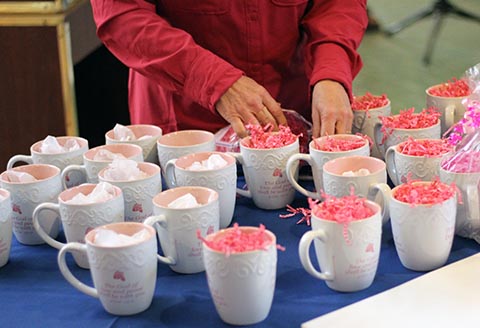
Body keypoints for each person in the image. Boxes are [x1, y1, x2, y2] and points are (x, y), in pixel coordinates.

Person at [90, 1, 368, 139]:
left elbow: (336, 4)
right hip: (186, 124)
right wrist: (215, 81)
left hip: (293, 116)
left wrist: (331, 71)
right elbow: (123, 16)